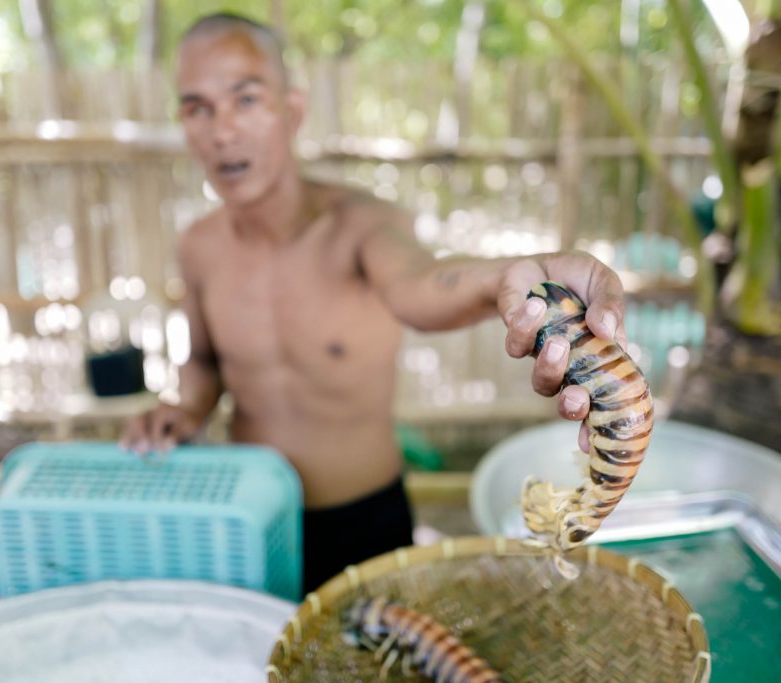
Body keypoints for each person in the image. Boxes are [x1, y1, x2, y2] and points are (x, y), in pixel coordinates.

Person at [121, 13, 628, 595]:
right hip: (250, 517)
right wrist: (183, 412)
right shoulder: (199, 246)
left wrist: (506, 280)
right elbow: (206, 363)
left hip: (364, 520)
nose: (222, 131)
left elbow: (420, 286)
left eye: (245, 99)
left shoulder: (363, 227)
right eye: (197, 108)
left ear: (292, 111)